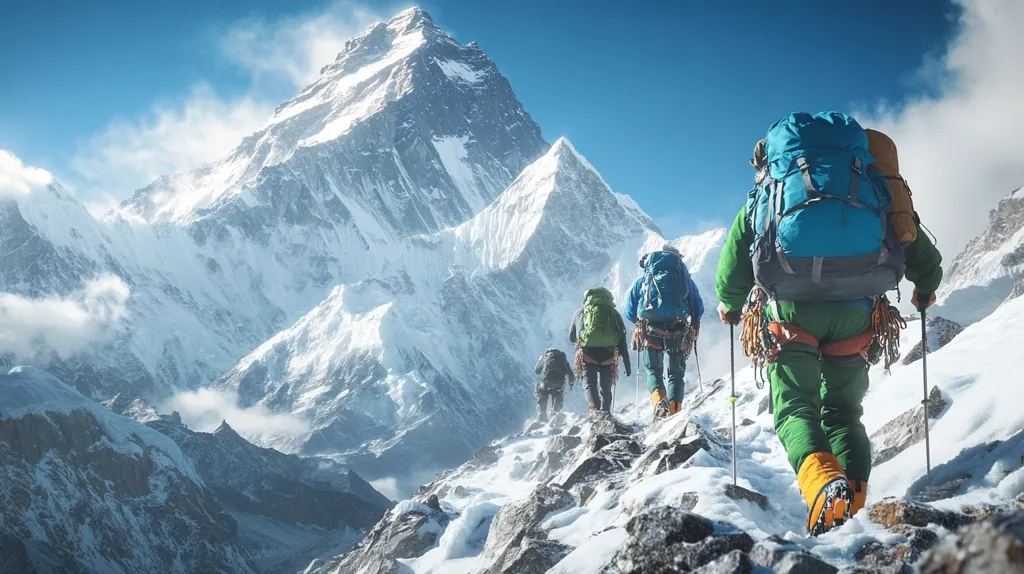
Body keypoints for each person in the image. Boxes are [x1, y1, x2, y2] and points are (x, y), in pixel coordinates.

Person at [715, 112, 942, 536]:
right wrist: (924, 290)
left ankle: (822, 484)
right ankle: (851, 508)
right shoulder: (873, 182)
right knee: (843, 412)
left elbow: (733, 265)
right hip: (857, 312)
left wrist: (729, 306)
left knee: (796, 407)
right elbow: (915, 245)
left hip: (791, 312)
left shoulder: (770, 188)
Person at [624, 244, 705, 420]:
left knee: (654, 370)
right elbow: (697, 305)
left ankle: (660, 404)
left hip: (650, 328)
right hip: (678, 329)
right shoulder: (685, 280)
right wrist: (695, 325)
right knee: (676, 373)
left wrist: (639, 323)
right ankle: (675, 411)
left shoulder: (645, 279)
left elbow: (629, 311)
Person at [569, 287, 632, 414]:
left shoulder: (580, 313)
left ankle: (594, 412)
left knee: (590, 385)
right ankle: (606, 413)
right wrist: (626, 362)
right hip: (608, 356)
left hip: (587, 355)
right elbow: (622, 337)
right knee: (606, 387)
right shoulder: (613, 313)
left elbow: (571, 337)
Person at [534, 348, 574, 422]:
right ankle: (555, 414)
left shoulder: (544, 357)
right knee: (558, 394)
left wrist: (540, 361)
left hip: (546, 383)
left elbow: (536, 371)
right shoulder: (563, 358)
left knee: (542, 394)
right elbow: (570, 374)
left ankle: (541, 415)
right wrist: (571, 383)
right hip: (559, 383)